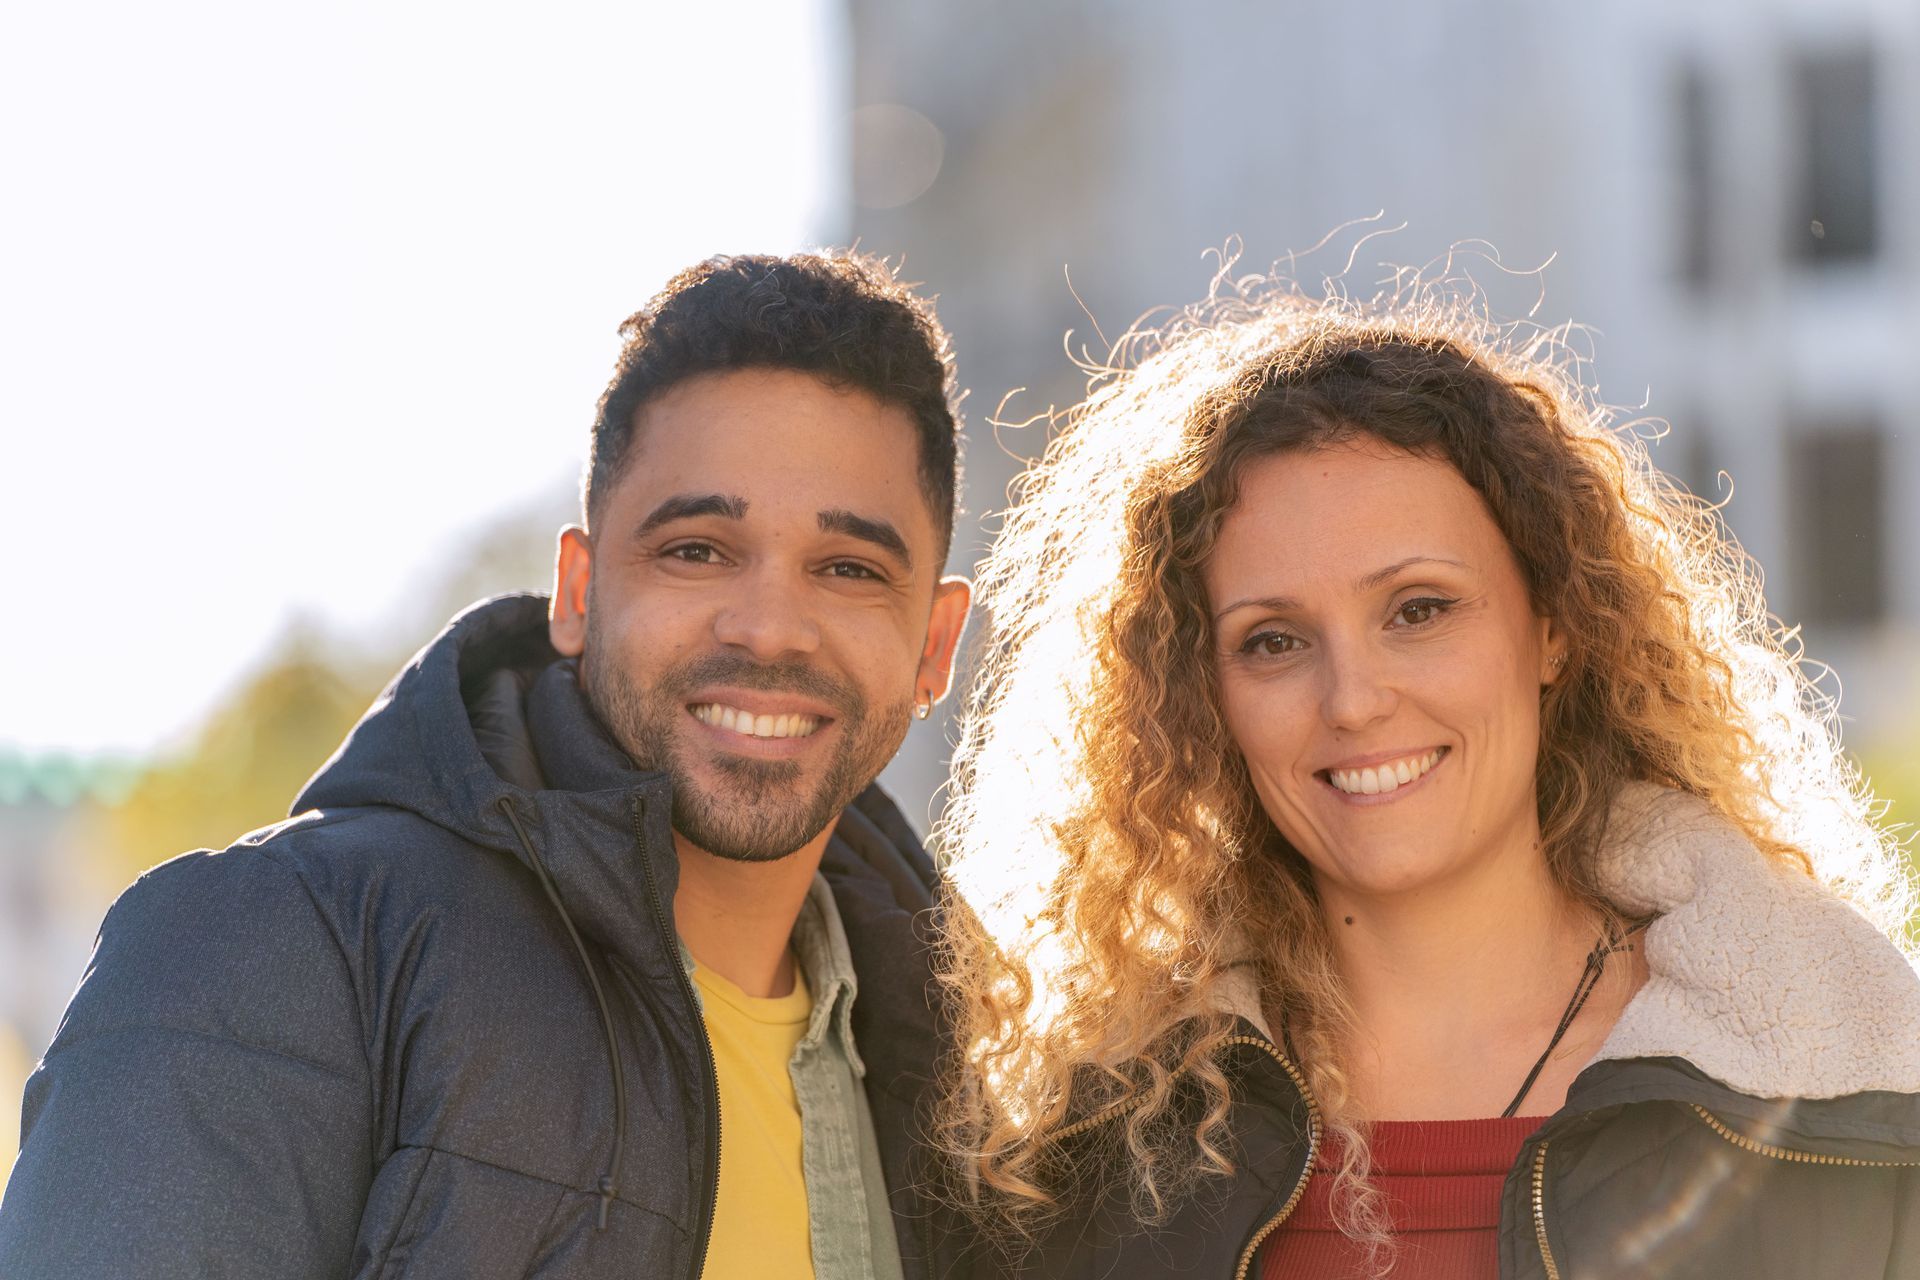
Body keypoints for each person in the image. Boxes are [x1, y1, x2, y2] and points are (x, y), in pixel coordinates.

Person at [0, 252, 974, 1280]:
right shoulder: (272, 949)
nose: (772, 627)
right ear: (578, 590)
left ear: (935, 645)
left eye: (850, 569)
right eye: (696, 548)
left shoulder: (988, 1090)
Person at [933, 278, 1920, 1278]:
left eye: (1419, 609)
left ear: (1553, 625)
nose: (1353, 699)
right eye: (1272, 640)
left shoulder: (1852, 1078)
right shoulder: (1083, 1146)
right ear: (1199, 699)